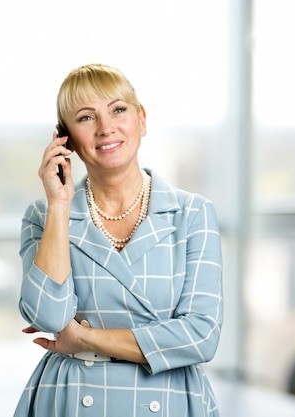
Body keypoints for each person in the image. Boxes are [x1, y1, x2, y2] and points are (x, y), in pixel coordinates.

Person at [15, 64, 223, 416]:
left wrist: (84, 338)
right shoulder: (46, 215)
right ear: (65, 139)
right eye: (85, 117)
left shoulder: (192, 213)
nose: (106, 128)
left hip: (169, 397)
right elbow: (49, 316)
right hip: (72, 398)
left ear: (141, 119)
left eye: (118, 110)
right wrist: (60, 205)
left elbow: (201, 336)